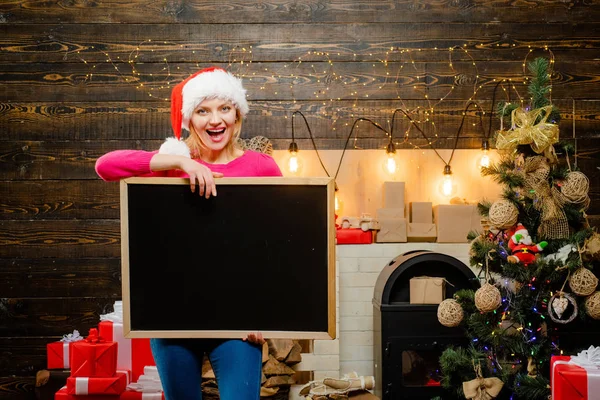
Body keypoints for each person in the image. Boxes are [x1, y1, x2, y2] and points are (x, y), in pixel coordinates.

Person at [95, 67, 282, 400]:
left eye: (224, 108)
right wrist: (183, 164)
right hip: (173, 318)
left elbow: (277, 246)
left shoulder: (261, 168)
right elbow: (106, 165)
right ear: (190, 120)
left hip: (236, 322)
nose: (215, 120)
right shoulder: (173, 165)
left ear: (236, 114)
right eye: (203, 110)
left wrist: (264, 310)